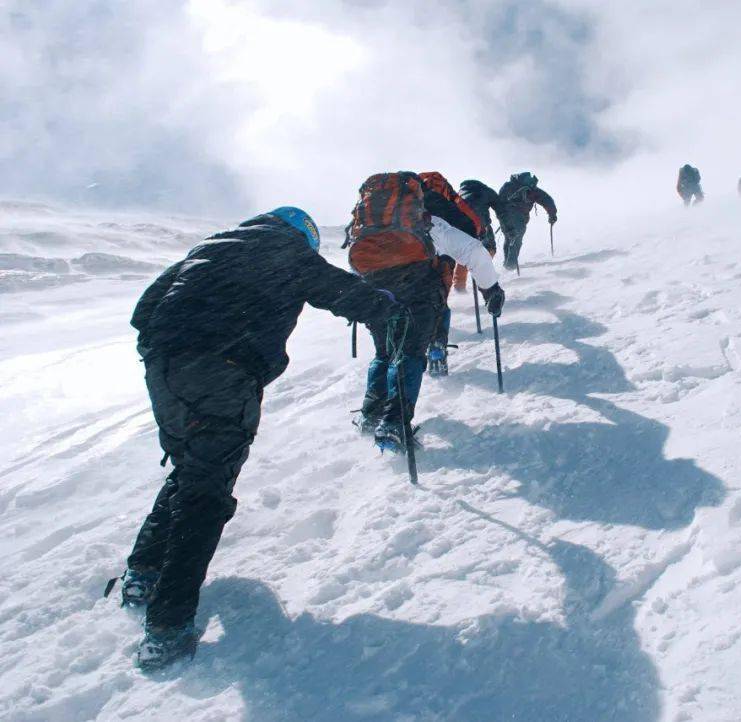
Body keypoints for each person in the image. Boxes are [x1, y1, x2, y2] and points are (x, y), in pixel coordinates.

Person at [121, 207, 401, 670]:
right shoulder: (284, 249)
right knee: (206, 495)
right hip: (223, 372)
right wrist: (389, 308)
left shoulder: (210, 246)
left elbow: (143, 312)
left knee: (193, 469)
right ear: (302, 237)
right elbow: (336, 290)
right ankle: (167, 626)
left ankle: (144, 570)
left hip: (163, 368)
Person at [347, 173, 504, 450]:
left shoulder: (365, 227)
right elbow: (474, 253)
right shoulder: (429, 224)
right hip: (418, 290)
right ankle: (394, 423)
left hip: (374, 291)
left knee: (384, 352)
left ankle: (371, 414)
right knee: (408, 354)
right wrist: (491, 291)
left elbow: (354, 263)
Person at [418, 172, 487, 376]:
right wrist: (478, 234)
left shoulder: (403, 202)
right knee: (438, 302)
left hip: (403, 257)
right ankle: (437, 346)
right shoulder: (444, 196)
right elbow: (466, 218)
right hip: (439, 257)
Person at [494, 172, 556, 271]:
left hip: (507, 217)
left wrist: (500, 216)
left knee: (509, 238)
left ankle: (508, 264)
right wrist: (552, 215)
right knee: (516, 238)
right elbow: (547, 200)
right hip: (515, 217)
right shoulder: (528, 188)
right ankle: (511, 265)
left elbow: (498, 202)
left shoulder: (509, 186)